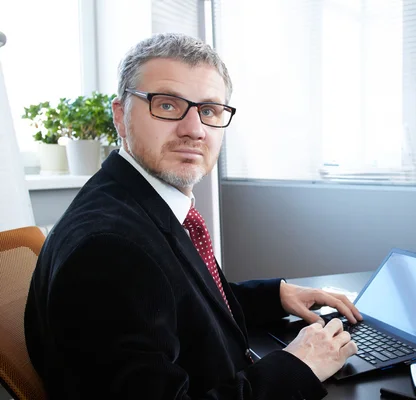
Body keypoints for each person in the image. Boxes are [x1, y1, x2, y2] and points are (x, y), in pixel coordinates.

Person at [24, 33, 362, 400]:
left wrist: (275, 295)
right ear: (120, 117)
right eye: (167, 105)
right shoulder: (109, 251)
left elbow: (177, 302)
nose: (195, 130)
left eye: (209, 110)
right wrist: (299, 366)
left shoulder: (134, 203)